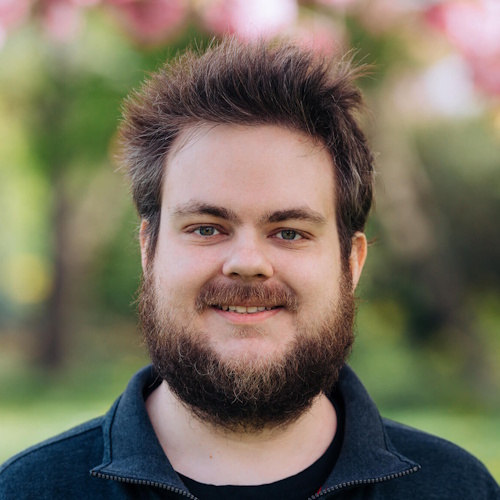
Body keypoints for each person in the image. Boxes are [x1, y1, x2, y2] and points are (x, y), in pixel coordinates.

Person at [1, 37, 498, 500]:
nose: (247, 264)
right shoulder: (27, 491)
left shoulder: (460, 490)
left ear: (352, 262)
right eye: (206, 228)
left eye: (290, 232)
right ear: (148, 251)